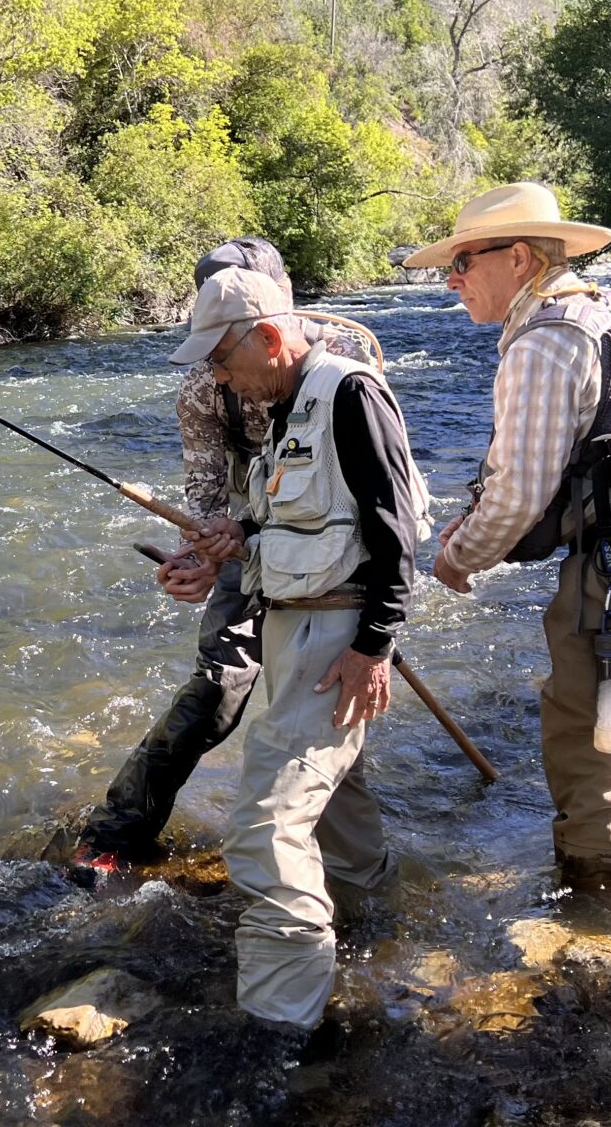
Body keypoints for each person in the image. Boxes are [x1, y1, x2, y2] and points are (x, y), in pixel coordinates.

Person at [407, 182, 611, 895]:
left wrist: (458, 558)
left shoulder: (547, 342)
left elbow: (521, 494)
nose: (453, 279)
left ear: (519, 257)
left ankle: (591, 923)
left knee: (596, 751)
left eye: (463, 261)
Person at [72, 239, 423, 872]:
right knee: (218, 689)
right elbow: (207, 494)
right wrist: (206, 556)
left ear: (277, 303)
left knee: (327, 709)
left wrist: (376, 634)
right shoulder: (206, 384)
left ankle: (347, 877)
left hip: (337, 558)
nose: (219, 369)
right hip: (249, 540)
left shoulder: (340, 366)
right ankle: (118, 832)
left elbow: (382, 496)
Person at [163, 266, 425, 1032]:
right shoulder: (281, 403)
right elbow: (300, 520)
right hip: (292, 627)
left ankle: (283, 1020)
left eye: (221, 360)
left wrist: (373, 647)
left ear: (270, 339)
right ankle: (376, 920)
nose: (217, 378)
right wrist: (232, 539)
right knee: (336, 792)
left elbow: (395, 533)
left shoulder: (349, 394)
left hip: (335, 634)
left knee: (264, 824)